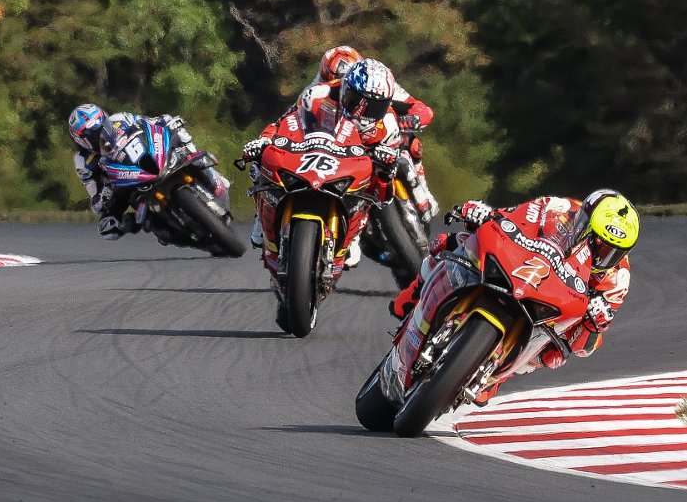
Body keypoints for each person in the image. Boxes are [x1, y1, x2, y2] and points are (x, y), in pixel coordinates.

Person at [389, 189, 639, 406]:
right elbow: (513, 216)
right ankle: (414, 293)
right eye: (596, 242)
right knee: (451, 241)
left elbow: (591, 339)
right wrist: (484, 213)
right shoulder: (558, 208)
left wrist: (597, 319)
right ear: (584, 221)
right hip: (521, 265)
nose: (599, 254)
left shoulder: (617, 279)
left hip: (556, 301)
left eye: (610, 251)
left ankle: (500, 373)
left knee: (568, 350)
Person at [243, 58, 409, 266]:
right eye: (356, 101)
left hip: (352, 167)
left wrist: (387, 166)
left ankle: (354, 233)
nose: (361, 113)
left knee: (381, 178)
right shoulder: (318, 95)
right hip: (313, 153)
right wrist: (264, 141)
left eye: (372, 107)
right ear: (344, 89)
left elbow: (384, 196)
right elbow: (283, 123)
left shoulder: (388, 125)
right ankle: (261, 216)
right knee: (260, 160)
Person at [308, 46, 439, 221]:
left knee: (413, 145)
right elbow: (297, 120)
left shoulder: (379, 84)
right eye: (333, 79)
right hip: (339, 149)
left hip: (379, 135)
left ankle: (423, 190)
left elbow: (422, 109)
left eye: (345, 78)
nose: (339, 84)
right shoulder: (318, 92)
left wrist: (415, 118)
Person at [68, 103, 229, 242]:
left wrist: (167, 121)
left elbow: (148, 123)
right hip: (125, 185)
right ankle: (166, 228)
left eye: (101, 127)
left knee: (181, 137)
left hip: (149, 159)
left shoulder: (121, 119)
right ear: (81, 140)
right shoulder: (83, 161)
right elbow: (95, 201)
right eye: (93, 135)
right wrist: (103, 196)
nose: (99, 135)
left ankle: (212, 178)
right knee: (112, 224)